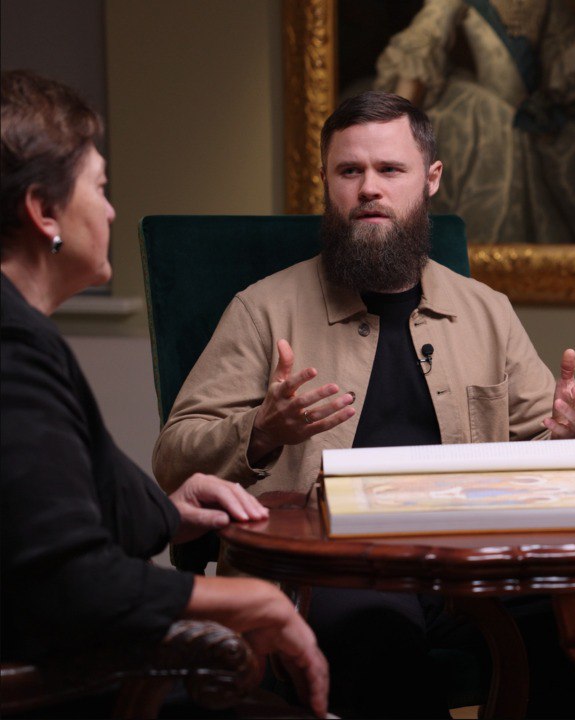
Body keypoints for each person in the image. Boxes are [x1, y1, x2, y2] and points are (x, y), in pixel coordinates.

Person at [152, 90, 575, 718]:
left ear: (430, 179)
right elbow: (173, 458)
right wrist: (261, 431)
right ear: (325, 181)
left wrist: (569, 438)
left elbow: (540, 450)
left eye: (389, 169)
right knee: (381, 650)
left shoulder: (487, 311)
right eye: (349, 171)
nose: (369, 189)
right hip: (330, 573)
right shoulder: (262, 310)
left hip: (470, 573)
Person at [0, 70, 329, 717]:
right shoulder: (13, 350)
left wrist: (171, 513)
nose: (110, 210)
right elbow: (68, 581)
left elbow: (41, 517)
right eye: (99, 187)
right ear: (43, 212)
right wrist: (249, 600)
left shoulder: (24, 334)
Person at [374, 0, 575, 245]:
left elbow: (569, 58)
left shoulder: (544, 4)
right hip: (484, 122)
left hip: (534, 118)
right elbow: (421, 49)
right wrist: (397, 126)